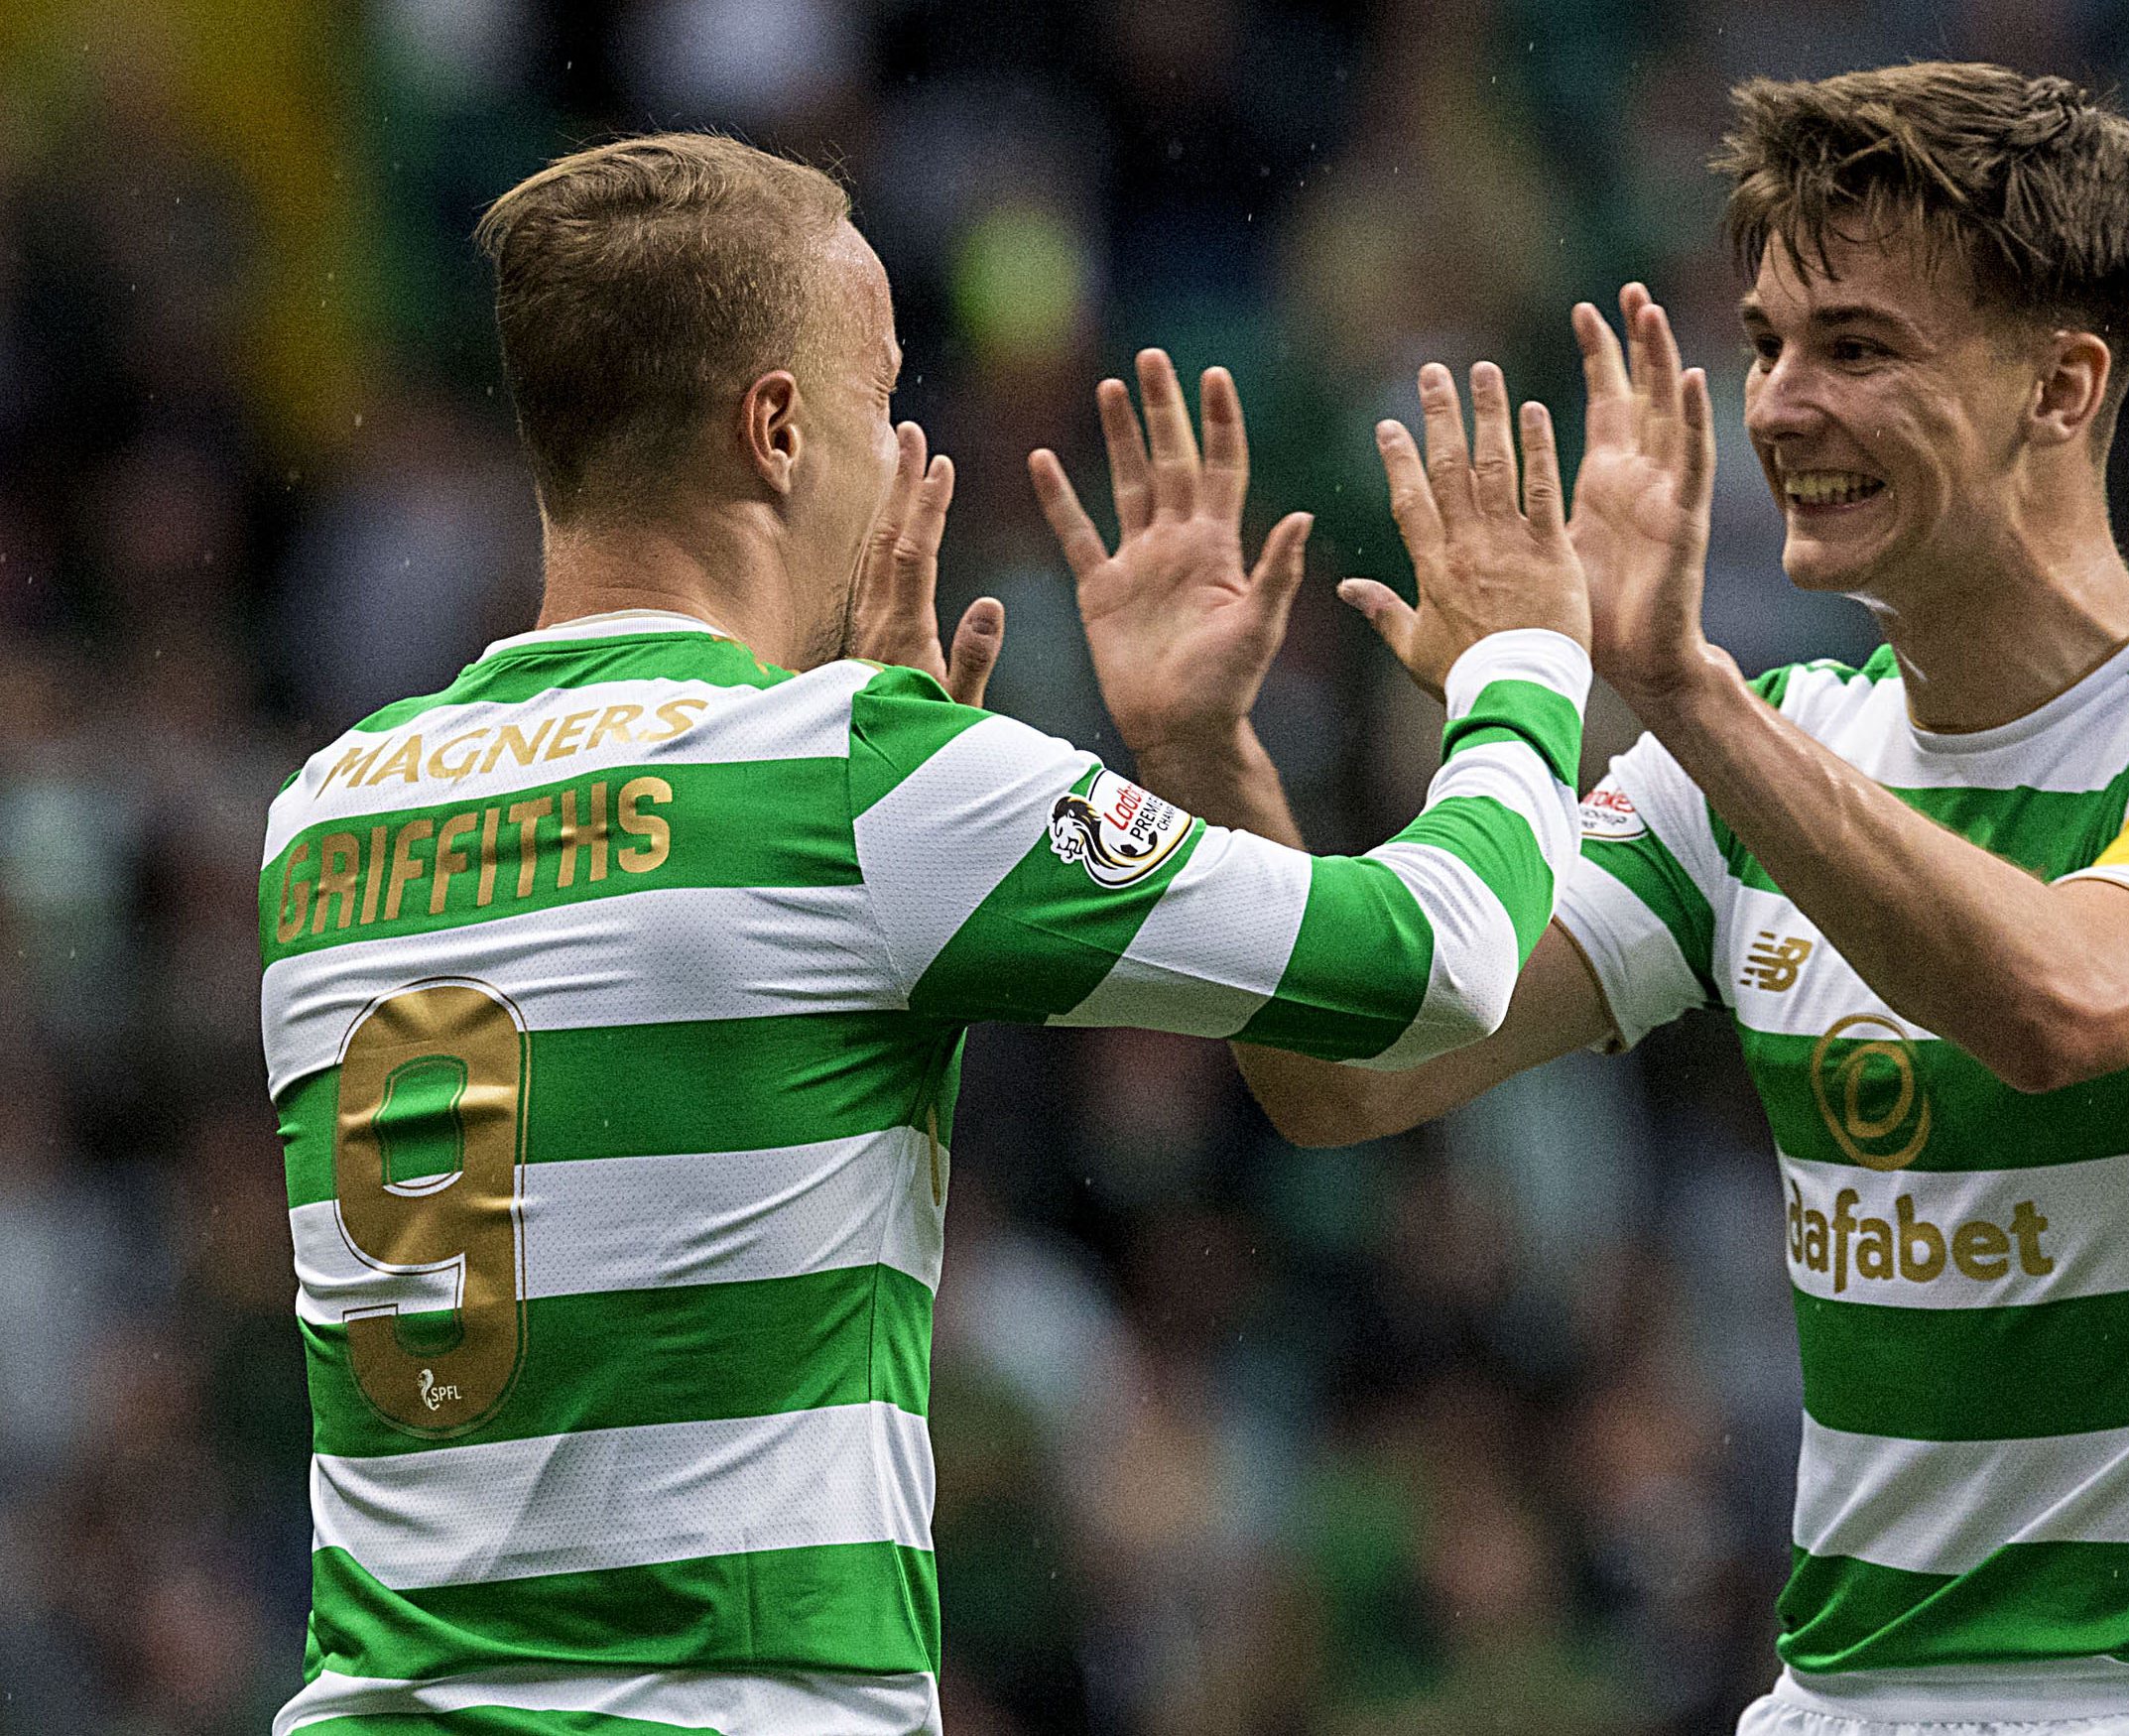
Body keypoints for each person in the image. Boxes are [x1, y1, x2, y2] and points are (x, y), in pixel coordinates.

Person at [1040, 63, 2129, 1736]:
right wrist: (1202, 759)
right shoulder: (1757, 759)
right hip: (1832, 1701)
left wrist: (1678, 688)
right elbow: (1348, 1076)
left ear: (2059, 383)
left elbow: (2063, 1006)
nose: (1774, 407)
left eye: (1855, 347)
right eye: (1762, 344)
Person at [257, 132, 1593, 1736]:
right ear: (777, 428)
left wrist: (896, 806)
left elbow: (709, 1128)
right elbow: (1434, 958)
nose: (906, 452)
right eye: (885, 397)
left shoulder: (323, 814)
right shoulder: (851, 783)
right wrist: (1523, 660)